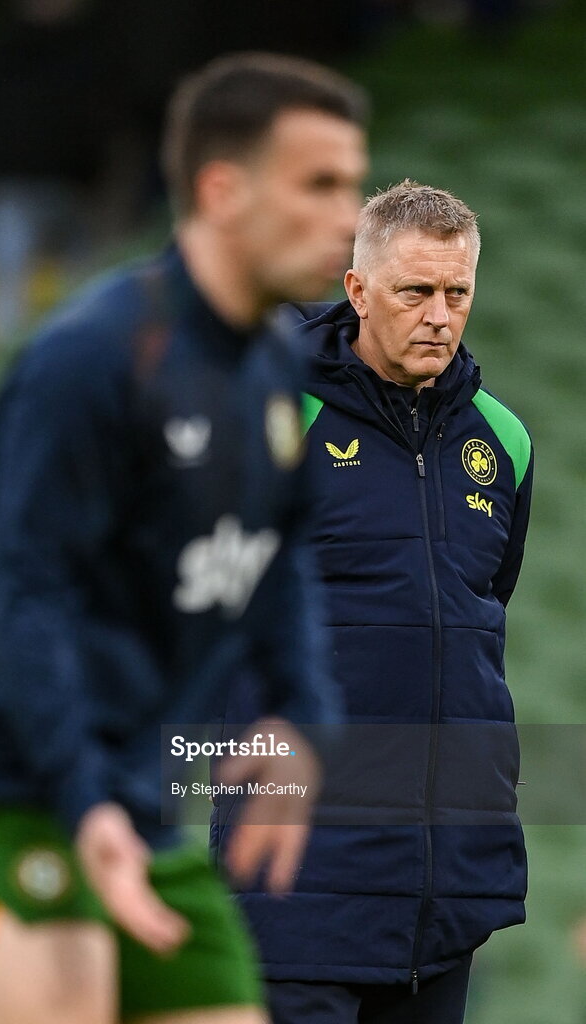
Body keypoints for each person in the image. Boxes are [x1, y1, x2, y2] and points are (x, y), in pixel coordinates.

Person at [0, 52, 368, 1024]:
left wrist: (303, 715)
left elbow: (278, 569)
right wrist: (82, 797)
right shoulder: (91, 361)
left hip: (141, 809)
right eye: (319, 184)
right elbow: (28, 596)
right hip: (2, 787)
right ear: (223, 190)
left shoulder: (280, 371)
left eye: (354, 185)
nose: (349, 216)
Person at [215, 180, 533, 1024]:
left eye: (456, 292)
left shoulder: (503, 441)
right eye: (415, 291)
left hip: (441, 890)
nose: (439, 314)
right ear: (357, 290)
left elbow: (478, 611)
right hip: (297, 881)